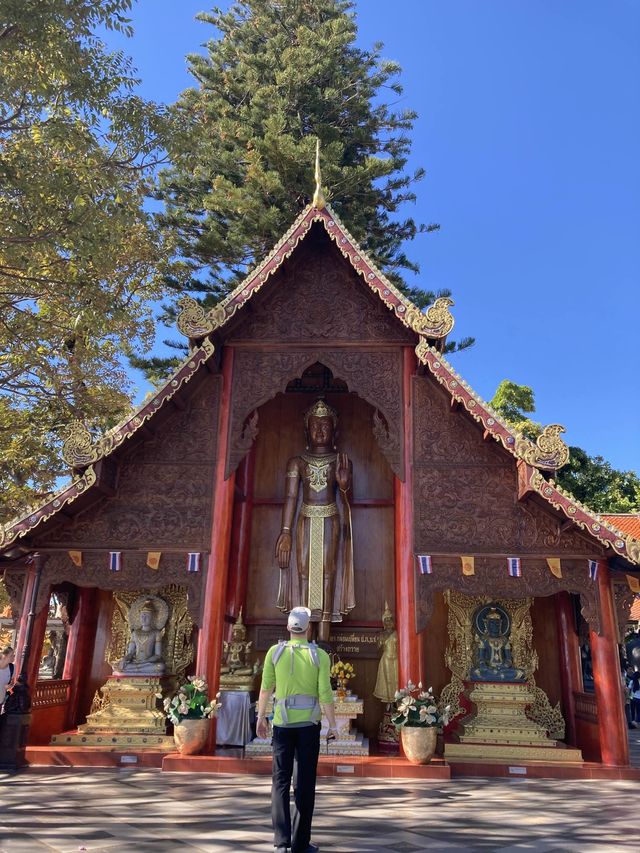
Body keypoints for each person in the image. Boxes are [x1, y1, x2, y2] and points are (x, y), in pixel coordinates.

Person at [257, 606, 338, 853]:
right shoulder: (320, 656)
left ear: (288, 627)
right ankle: (301, 843)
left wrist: (261, 717)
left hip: (282, 724)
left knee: (280, 782)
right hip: (308, 727)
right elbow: (325, 693)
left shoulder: (274, 652)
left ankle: (282, 843)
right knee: (304, 783)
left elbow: (265, 688)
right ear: (309, 628)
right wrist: (333, 725)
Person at [275, 399, 355, 643]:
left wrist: (344, 486)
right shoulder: (297, 462)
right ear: (307, 430)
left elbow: (348, 499)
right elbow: (290, 496)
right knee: (304, 575)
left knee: (329, 574)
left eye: (325, 426)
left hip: (330, 518)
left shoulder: (341, 461)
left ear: (334, 430)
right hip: (305, 521)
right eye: (315, 426)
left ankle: (324, 642)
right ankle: (302, 640)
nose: (320, 431)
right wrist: (286, 532)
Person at [373, 602, 398, 705]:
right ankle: (389, 703)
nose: (388, 622)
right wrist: (380, 639)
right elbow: (377, 648)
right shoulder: (382, 634)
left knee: (396, 681)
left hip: (396, 659)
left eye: (390, 619)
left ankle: (398, 701)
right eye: (386, 620)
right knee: (387, 681)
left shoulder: (397, 633)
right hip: (386, 659)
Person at [0, 645, 16, 711]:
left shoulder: (12, 668)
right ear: (4, 656)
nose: (13, 657)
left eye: (14, 655)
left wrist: (9, 686)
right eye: (11, 655)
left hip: (0, 701)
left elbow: (11, 683)